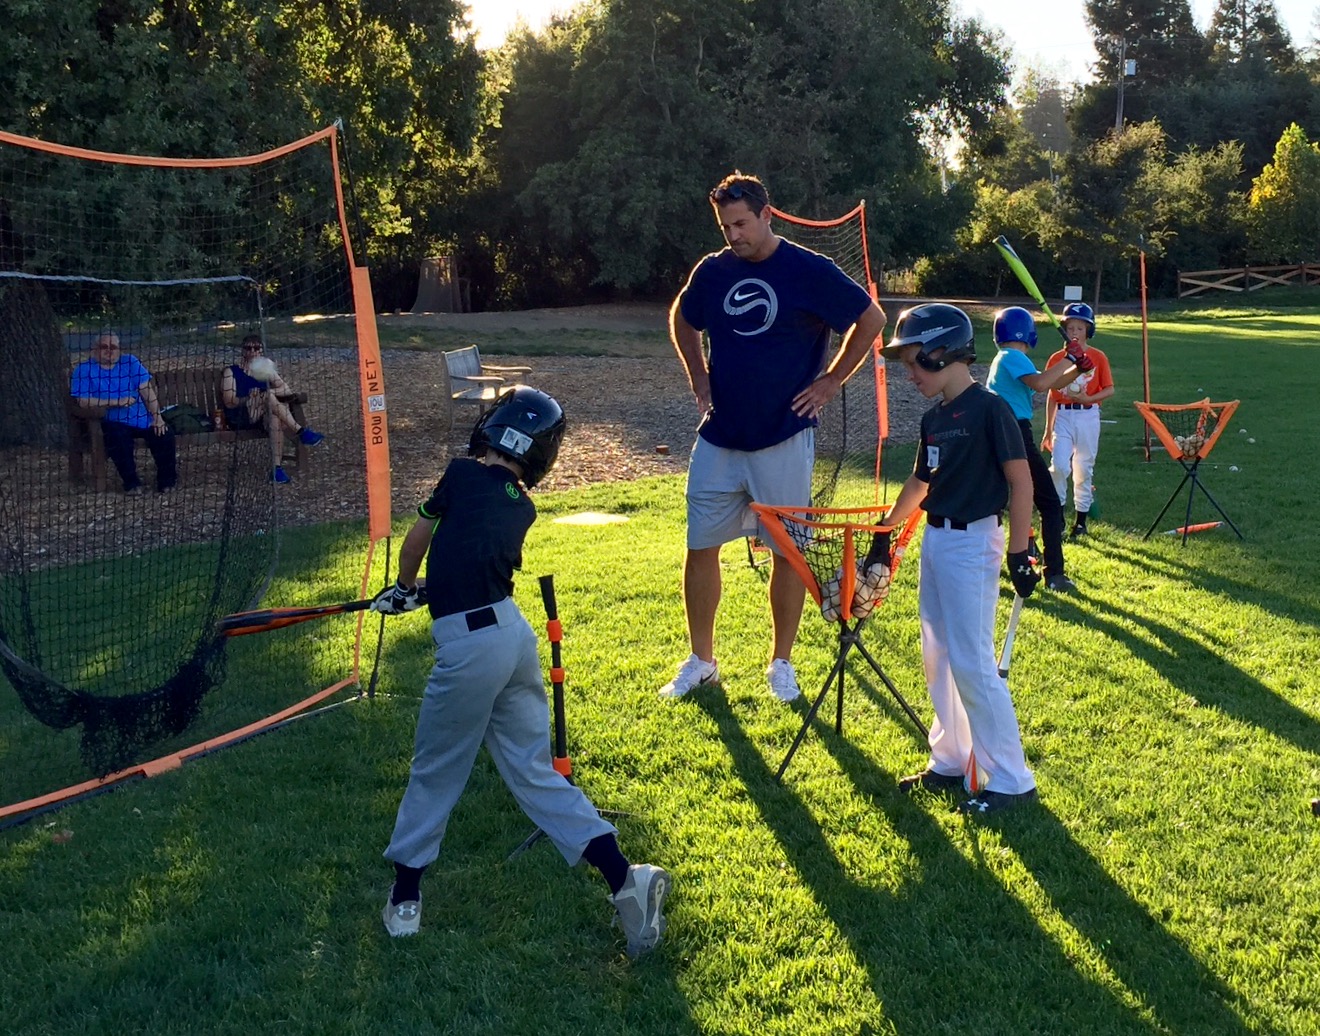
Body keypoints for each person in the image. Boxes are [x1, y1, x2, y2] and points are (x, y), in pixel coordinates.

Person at [372, 386, 670, 956]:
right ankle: (626, 881)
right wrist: (430, 594)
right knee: (536, 773)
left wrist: (405, 588)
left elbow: (420, 538)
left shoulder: (459, 474)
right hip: (512, 636)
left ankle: (405, 899)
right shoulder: (522, 505)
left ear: (493, 426)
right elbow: (472, 555)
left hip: (468, 650)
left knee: (436, 769)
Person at [662, 171, 887, 703]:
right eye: (725, 226)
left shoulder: (809, 269)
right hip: (719, 436)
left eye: (741, 223)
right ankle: (702, 660)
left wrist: (832, 379)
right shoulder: (714, 271)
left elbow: (871, 318)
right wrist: (698, 374)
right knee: (701, 546)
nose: (733, 235)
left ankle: (780, 665)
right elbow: (682, 317)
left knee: (789, 552)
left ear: (767, 215)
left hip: (783, 436)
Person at [878, 304, 1040, 815]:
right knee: (939, 656)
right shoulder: (934, 420)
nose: (909, 374)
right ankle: (950, 760)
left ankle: (1012, 779)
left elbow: (1021, 481)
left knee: (971, 660)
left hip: (975, 542)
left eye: (914, 361)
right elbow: (921, 483)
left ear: (942, 351)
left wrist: (1020, 550)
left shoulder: (991, 410)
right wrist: (885, 530)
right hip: (938, 539)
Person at [986, 306, 1093, 592]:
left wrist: (1076, 369)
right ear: (1027, 334)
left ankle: (1014, 560)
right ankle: (1054, 573)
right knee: (1049, 504)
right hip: (1014, 434)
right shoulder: (1011, 356)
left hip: (1005, 432)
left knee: (1002, 501)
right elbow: (1041, 381)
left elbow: (1049, 384)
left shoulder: (1008, 359)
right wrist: (1070, 356)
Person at [69, 332, 178, 494]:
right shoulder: (84, 370)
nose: (109, 351)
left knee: (164, 434)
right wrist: (115, 402)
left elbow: (147, 391)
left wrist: (157, 417)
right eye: (104, 347)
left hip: (141, 418)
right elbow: (83, 401)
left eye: (113, 347)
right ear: (94, 349)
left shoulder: (130, 362)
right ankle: (132, 484)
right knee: (118, 438)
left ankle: (167, 482)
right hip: (111, 421)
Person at [1041, 303, 1114, 538]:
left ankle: (1081, 521)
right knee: (1060, 465)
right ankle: (1058, 517)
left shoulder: (1098, 356)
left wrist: (1089, 398)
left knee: (1083, 467)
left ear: (1088, 331)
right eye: (1070, 328)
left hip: (1087, 415)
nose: (1074, 333)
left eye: (1080, 329)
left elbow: (1109, 389)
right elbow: (1052, 394)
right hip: (1063, 414)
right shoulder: (1056, 358)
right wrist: (1047, 429)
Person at [220, 334, 324, 484]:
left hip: (263, 415)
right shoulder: (231, 372)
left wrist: (265, 393)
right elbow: (229, 401)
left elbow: (286, 389)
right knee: (268, 398)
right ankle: (301, 432)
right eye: (248, 348)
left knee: (275, 417)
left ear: (261, 351)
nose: (253, 351)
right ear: (243, 351)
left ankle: (277, 469)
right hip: (241, 415)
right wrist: (249, 397)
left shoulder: (264, 369)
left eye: (257, 348)